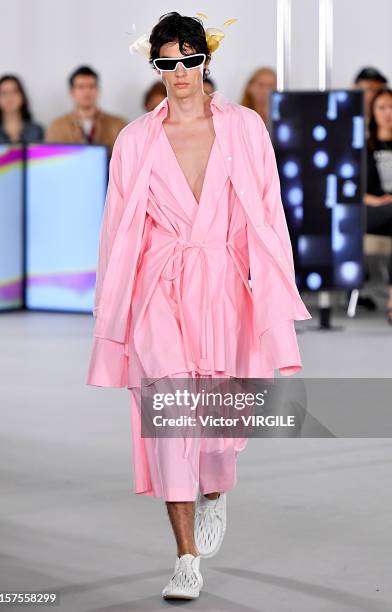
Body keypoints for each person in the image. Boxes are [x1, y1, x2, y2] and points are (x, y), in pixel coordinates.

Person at [86, 11, 311, 601]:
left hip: (225, 284)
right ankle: (185, 558)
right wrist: (114, 310)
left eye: (189, 59)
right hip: (159, 287)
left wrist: (273, 287)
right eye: (168, 61)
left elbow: (267, 210)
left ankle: (215, 490)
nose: (180, 71)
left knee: (218, 423)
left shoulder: (245, 128)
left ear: (205, 59)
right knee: (169, 416)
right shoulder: (135, 139)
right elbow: (116, 227)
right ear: (154, 65)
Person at [45, 66, 127, 154]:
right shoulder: (57, 127)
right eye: (81, 87)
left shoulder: (118, 125)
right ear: (71, 92)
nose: (87, 92)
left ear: (98, 90)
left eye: (91, 86)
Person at [364, 88, 392, 324]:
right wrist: (377, 200)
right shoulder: (363, 146)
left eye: (391, 107)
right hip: (372, 209)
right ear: (373, 112)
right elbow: (352, 187)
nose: (387, 113)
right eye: (381, 107)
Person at [0, 75, 43, 143]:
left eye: (14, 92)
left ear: (23, 97)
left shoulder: (37, 130)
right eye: (4, 93)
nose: (9, 97)